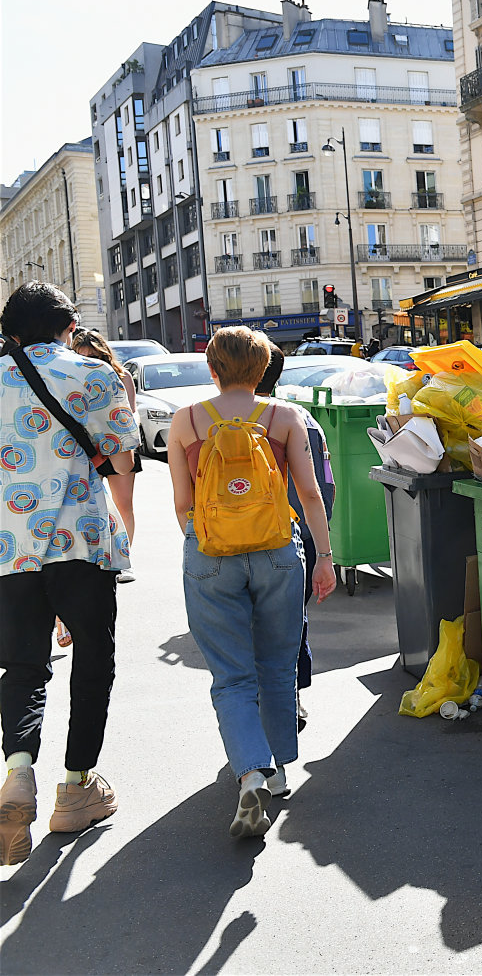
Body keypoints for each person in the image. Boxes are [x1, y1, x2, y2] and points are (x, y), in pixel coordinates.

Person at [166, 327, 336, 839]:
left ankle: (249, 771)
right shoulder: (284, 418)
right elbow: (308, 494)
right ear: (263, 370)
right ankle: (279, 771)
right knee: (277, 665)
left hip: (210, 552)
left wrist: (205, 541)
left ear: (211, 369)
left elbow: (180, 503)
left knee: (232, 675)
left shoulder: (185, 421)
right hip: (278, 550)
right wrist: (325, 557)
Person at [0, 283, 137, 865]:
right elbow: (122, 456)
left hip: (9, 548)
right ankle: (76, 786)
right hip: (81, 540)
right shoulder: (93, 375)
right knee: (92, 659)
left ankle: (17, 770)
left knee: (24, 664)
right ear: (68, 326)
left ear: (9, 335)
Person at [254, 345, 335, 732]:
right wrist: (322, 552)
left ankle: (253, 704)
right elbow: (321, 490)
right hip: (291, 545)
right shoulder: (299, 419)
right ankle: (291, 697)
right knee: (290, 624)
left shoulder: (207, 418)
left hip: (227, 547)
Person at [70, 329, 139, 584]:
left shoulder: (121, 376)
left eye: (95, 356)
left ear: (105, 354)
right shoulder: (71, 378)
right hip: (88, 449)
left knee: (124, 505)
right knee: (92, 505)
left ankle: (125, 560)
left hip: (119, 444)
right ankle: (98, 558)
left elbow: (129, 412)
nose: (91, 361)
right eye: (83, 356)